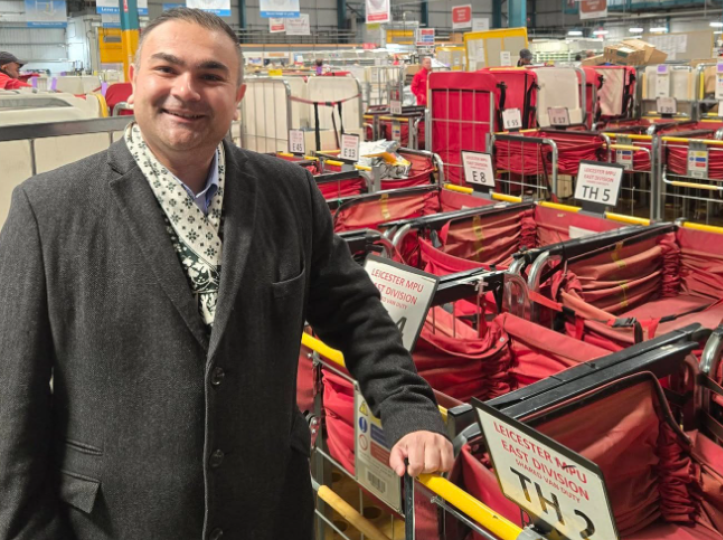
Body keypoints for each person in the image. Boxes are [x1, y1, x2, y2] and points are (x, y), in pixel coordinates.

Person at [0, 8, 452, 540]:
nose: (186, 91)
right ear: (135, 82)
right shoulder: (50, 209)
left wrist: (407, 406)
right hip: (115, 522)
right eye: (166, 70)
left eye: (211, 76)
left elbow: (354, 312)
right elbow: (13, 399)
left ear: (237, 98)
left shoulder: (287, 191)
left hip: (267, 508)